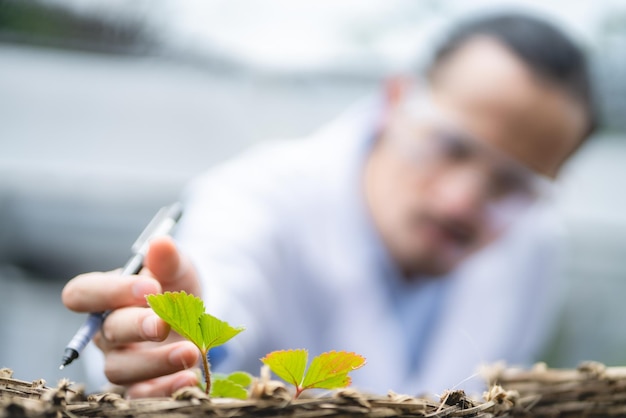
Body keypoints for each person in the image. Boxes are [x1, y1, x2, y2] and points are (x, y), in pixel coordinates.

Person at [62, 12, 595, 398]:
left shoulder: (535, 246)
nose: (460, 202)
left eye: (512, 185)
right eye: (451, 146)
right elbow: (221, 293)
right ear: (393, 103)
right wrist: (176, 337)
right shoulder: (260, 195)